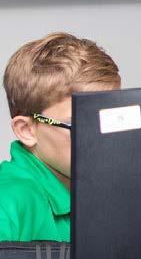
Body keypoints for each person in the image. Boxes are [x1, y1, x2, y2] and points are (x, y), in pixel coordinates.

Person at [0, 32, 121, 242]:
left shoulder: (108, 188)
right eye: (82, 123)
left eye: (108, 119)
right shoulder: (7, 203)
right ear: (26, 130)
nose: (102, 138)